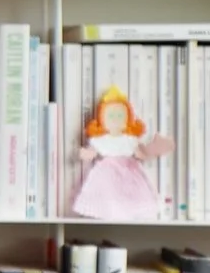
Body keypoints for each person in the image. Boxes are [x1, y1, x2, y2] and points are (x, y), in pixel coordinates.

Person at [68, 84, 168, 220]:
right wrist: (85, 153)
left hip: (129, 170)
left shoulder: (130, 140)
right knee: (105, 193)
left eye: (120, 115)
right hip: (106, 171)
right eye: (111, 115)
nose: (115, 119)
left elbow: (141, 153)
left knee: (134, 192)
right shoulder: (101, 139)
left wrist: (154, 148)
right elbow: (92, 152)